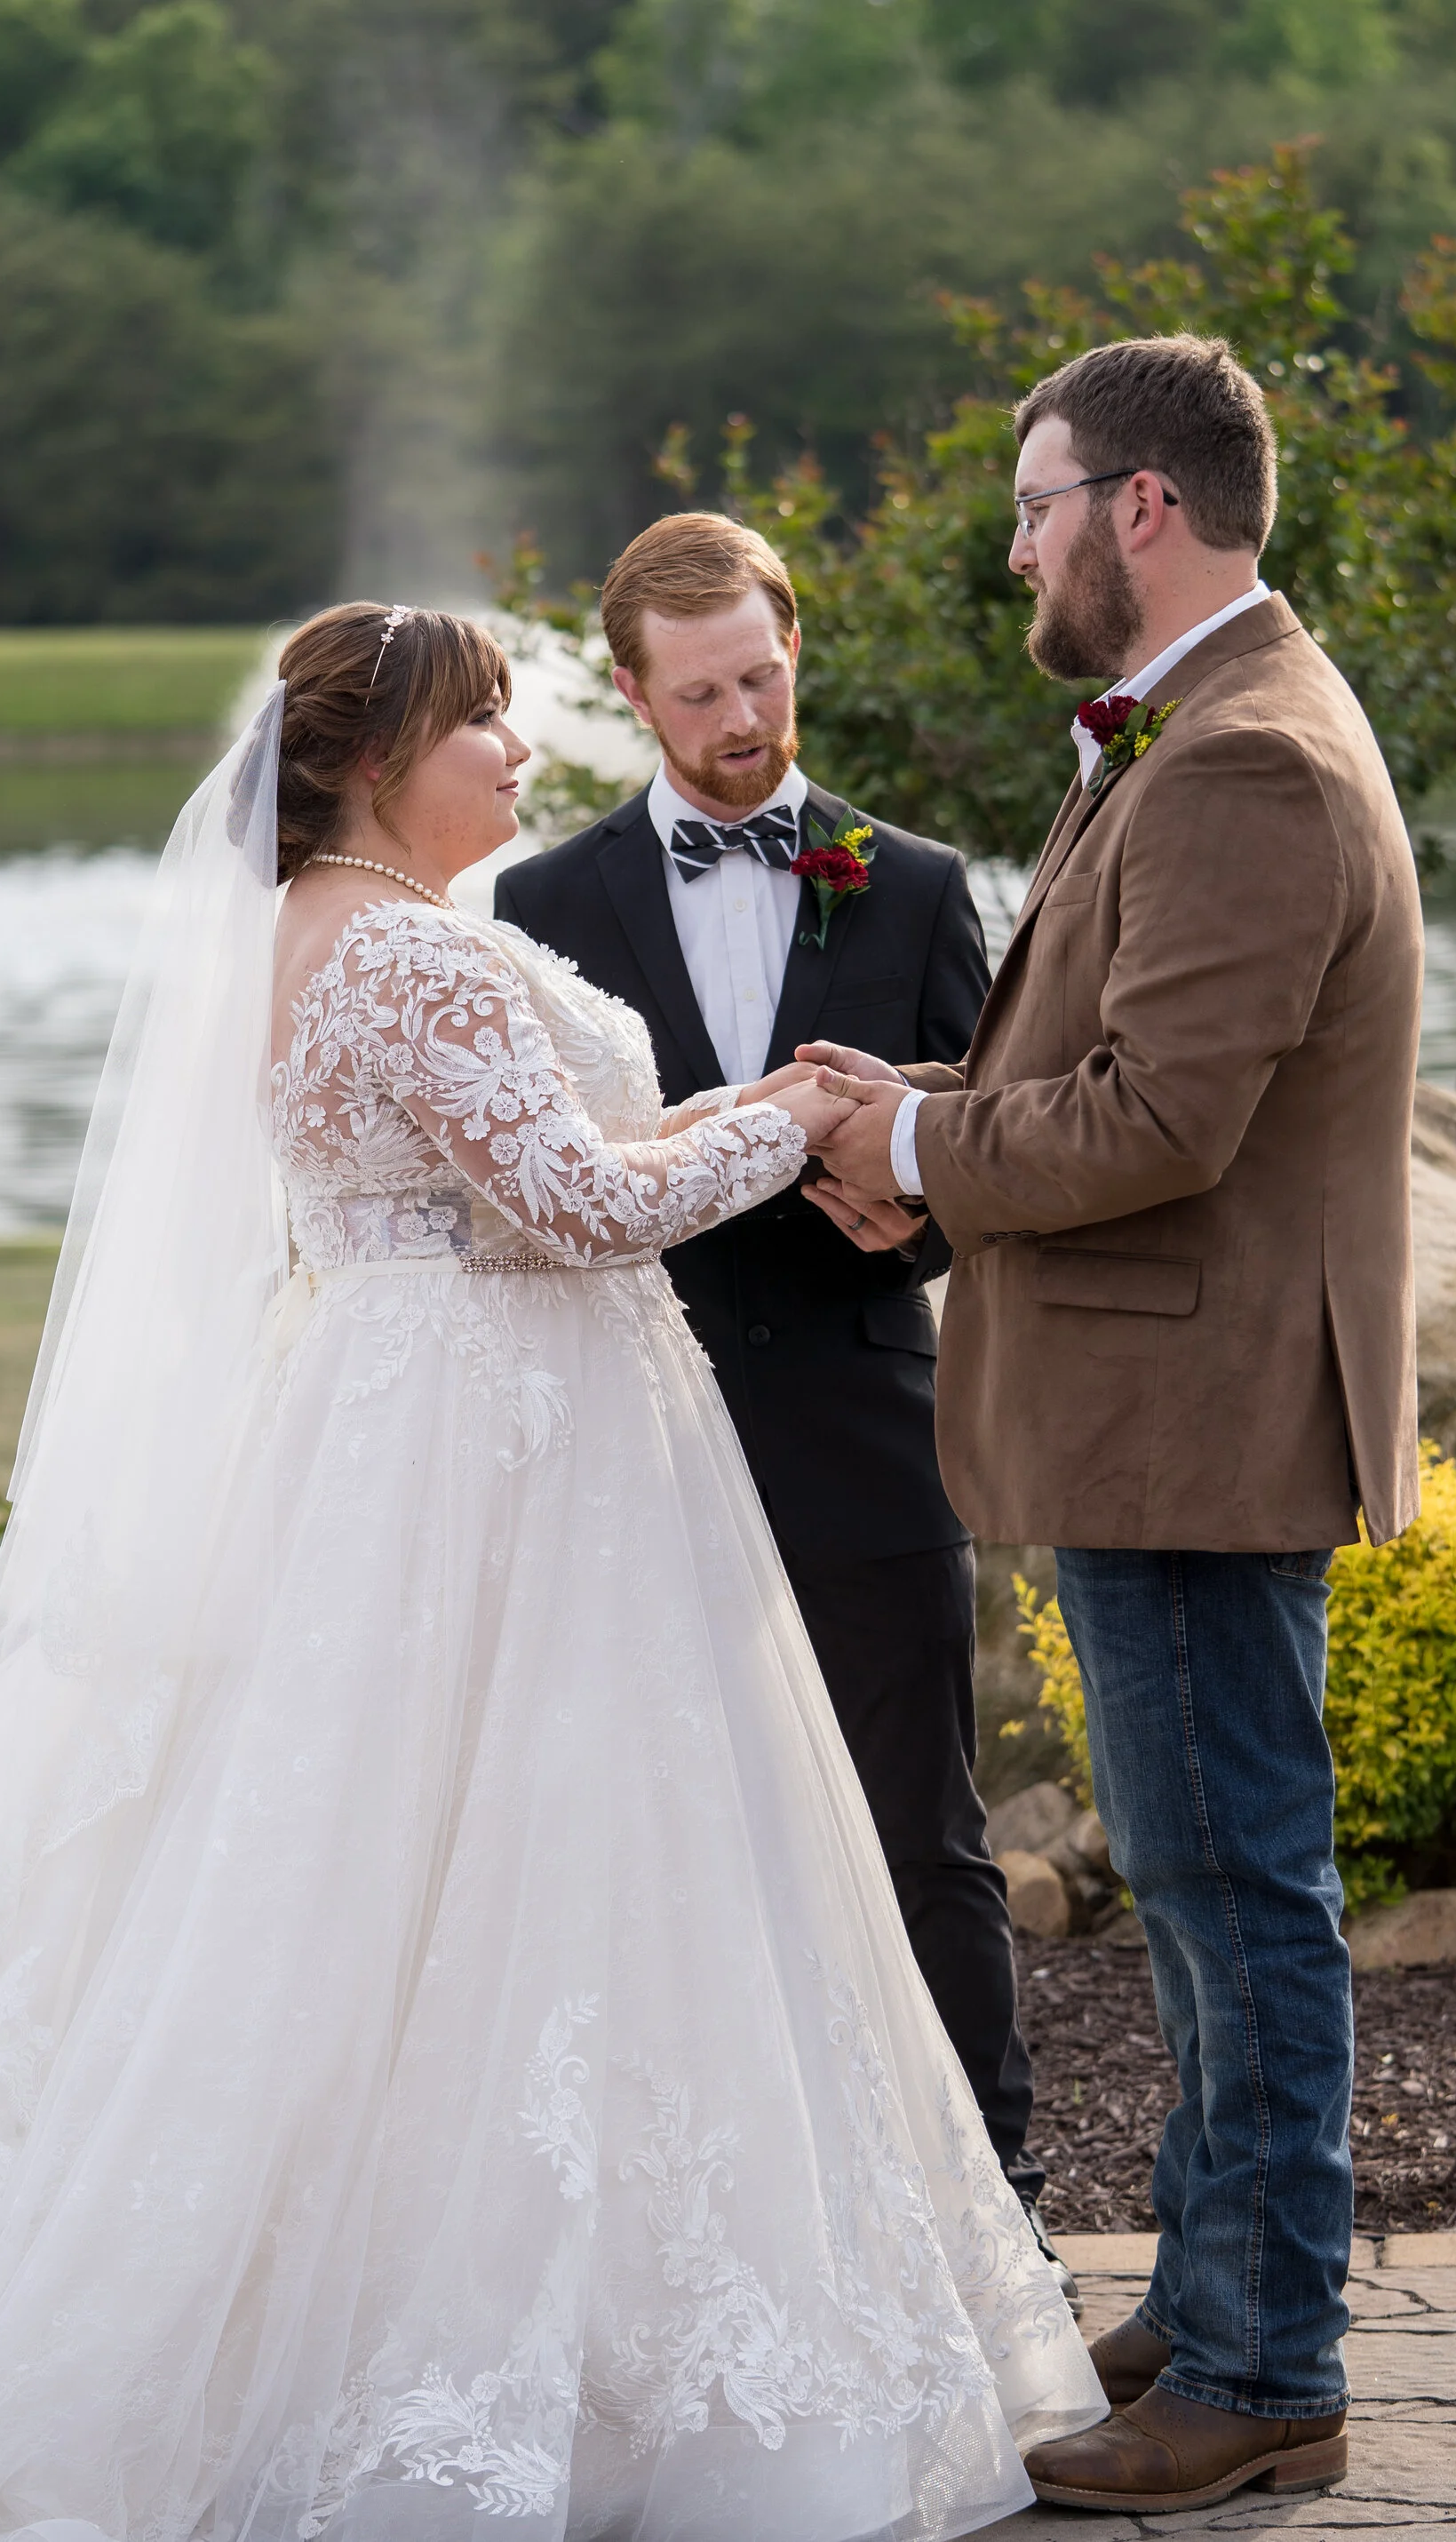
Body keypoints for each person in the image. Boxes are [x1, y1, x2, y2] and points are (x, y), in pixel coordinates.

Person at [0, 602, 1102, 2540]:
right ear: (380, 761)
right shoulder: (403, 951)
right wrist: (794, 1120)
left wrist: (725, 1114)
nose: (520, 756)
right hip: (494, 1452)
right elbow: (568, 1206)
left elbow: (549, 1157)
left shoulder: (341, 936)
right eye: (486, 727)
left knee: (394, 1870)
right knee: (515, 1863)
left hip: (411, 1424)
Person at [808, 336, 1425, 2516]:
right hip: (1175, 1397)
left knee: (1230, 1881)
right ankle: (1214, 2281)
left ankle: (1263, 2359)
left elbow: (1163, 1116)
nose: (1016, 542)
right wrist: (936, 1128)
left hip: (1196, 1409)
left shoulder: (1242, 760)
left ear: (1139, 508)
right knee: (1193, 1879)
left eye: (1032, 500)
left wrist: (914, 1130)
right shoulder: (1196, 728)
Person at [494, 517, 1061, 2276]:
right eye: (701, 691)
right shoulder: (538, 906)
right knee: (639, 1830)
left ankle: (992, 2219)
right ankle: (687, 2249)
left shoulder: (910, 881)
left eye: (763, 674)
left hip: (862, 1422)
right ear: (632, 691)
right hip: (622, 1434)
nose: (742, 715)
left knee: (920, 1832)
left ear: (792, 647)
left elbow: (987, 1161)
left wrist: (900, 1207)